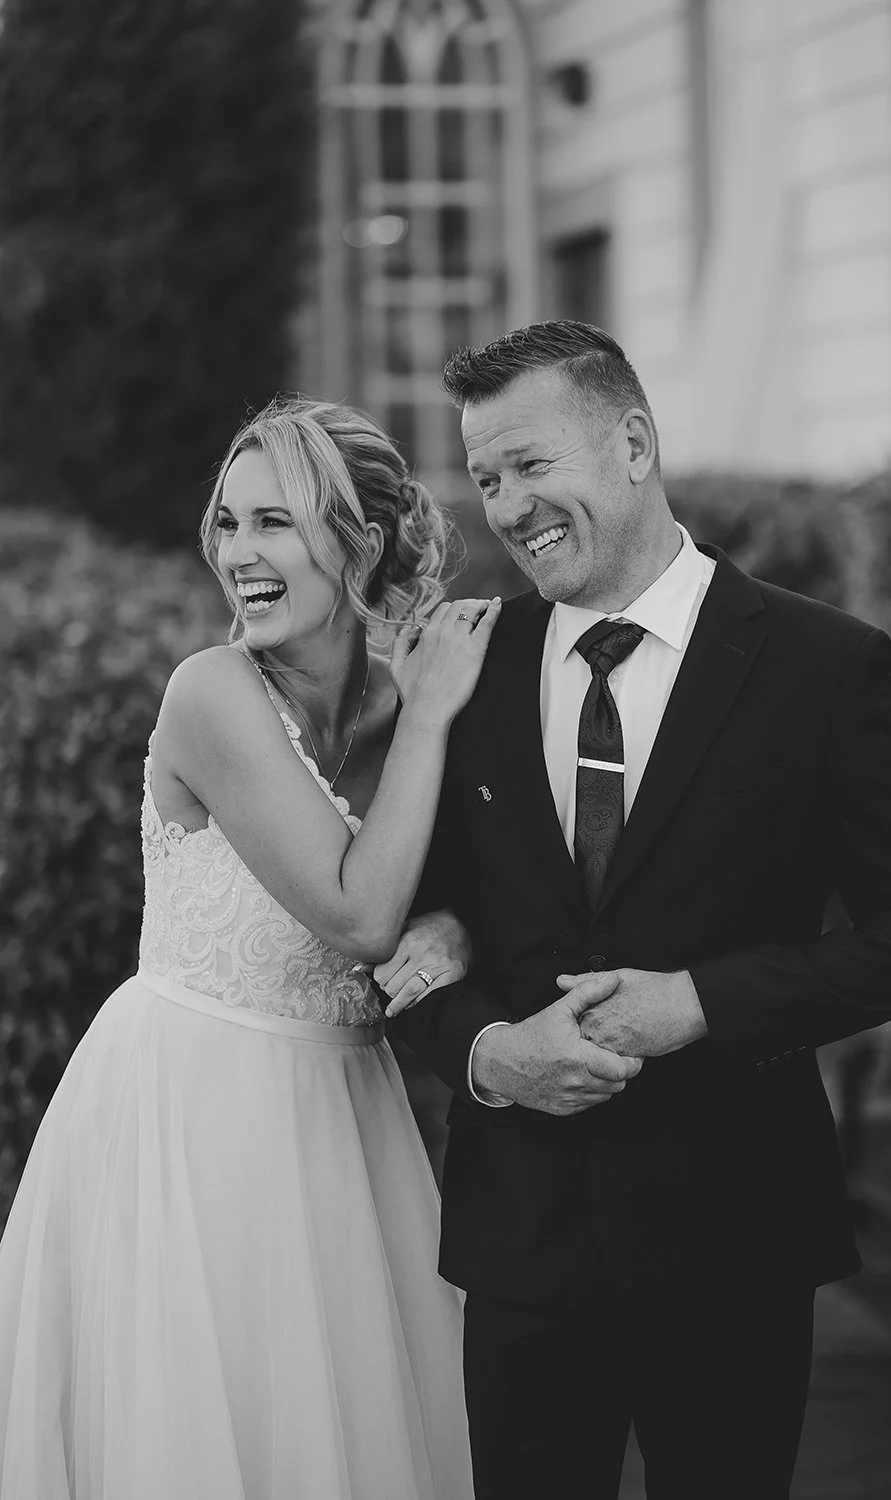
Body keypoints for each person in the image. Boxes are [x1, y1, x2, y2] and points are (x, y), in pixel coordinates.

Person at [379, 321, 891, 1500]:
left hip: (735, 1236)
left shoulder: (820, 664)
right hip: (521, 1241)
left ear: (635, 444)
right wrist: (492, 1056)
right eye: (488, 478)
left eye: (532, 465)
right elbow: (392, 939)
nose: (507, 508)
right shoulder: (463, 664)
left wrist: (702, 1003)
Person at [0, 397, 502, 1499]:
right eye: (227, 524)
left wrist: (462, 924)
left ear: (358, 543)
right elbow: (360, 917)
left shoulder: (406, 704)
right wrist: (427, 722)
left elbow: (487, 886)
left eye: (273, 523)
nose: (239, 555)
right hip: (191, 1115)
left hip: (348, 1122)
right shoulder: (213, 694)